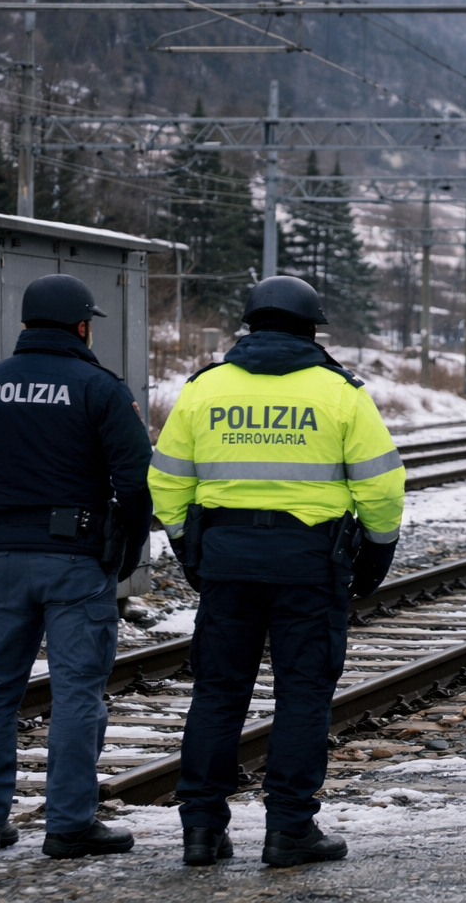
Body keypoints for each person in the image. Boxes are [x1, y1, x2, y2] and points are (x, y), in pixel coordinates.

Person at [149, 275, 404, 868]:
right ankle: (289, 830)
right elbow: (382, 485)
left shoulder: (204, 389)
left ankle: (201, 830)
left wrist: (189, 548)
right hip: (309, 565)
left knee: (217, 692)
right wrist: (376, 554)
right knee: (302, 694)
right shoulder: (341, 392)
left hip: (227, 562)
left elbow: (166, 479)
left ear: (249, 324)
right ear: (312, 328)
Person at [0, 274, 154, 859]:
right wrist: (127, 549)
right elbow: (135, 481)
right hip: (77, 562)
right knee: (77, 693)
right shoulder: (100, 388)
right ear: (81, 326)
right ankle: (69, 826)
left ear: (27, 323)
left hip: (4, 562)